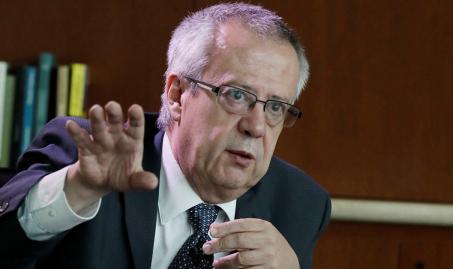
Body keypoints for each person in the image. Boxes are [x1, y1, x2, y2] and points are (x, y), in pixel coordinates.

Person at [0, 3, 330, 269]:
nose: (256, 127)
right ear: (176, 94)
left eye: (275, 107)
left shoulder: (301, 204)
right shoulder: (87, 155)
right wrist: (77, 187)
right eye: (237, 95)